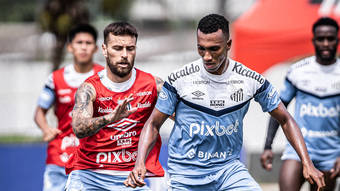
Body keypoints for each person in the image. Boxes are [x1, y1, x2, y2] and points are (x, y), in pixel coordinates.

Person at [125, 14, 326, 191]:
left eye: (214, 49)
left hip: (228, 171)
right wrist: (139, 163)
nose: (207, 56)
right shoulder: (180, 80)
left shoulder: (250, 80)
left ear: (228, 45)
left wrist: (307, 163)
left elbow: (285, 119)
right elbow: (153, 124)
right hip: (186, 175)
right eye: (201, 49)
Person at [65, 21, 165, 191]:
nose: (124, 55)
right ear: (104, 50)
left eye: (130, 49)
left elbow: (185, 117)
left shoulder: (153, 85)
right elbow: (78, 128)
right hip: (89, 175)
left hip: (130, 178)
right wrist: (110, 118)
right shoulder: (89, 88)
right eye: (117, 48)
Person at [261, 17, 340, 191]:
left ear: (337, 40)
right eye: (321, 39)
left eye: (330, 38)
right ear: (314, 41)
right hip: (298, 149)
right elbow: (279, 111)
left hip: (330, 154)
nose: (326, 43)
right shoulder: (298, 71)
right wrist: (268, 146)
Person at [34, 23, 104, 191]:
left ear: (95, 49)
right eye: (79, 43)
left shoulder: (104, 77)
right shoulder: (56, 78)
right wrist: (46, 129)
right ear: (70, 47)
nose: (84, 48)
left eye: (88, 43)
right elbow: (39, 112)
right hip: (60, 157)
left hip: (93, 160)